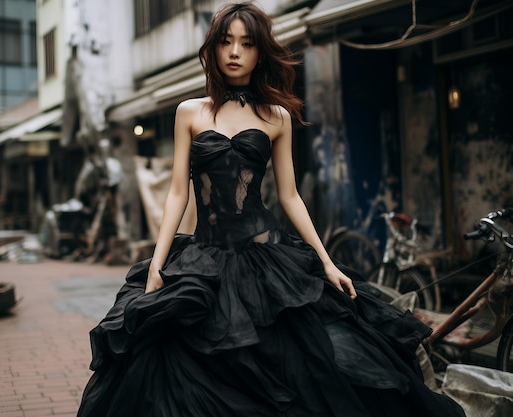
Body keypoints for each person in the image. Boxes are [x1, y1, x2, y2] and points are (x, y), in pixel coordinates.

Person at [77, 2, 466, 416]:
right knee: (187, 362)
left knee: (312, 360)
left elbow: (290, 196)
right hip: (205, 260)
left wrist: (327, 262)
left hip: (267, 258)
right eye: (226, 42)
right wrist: (157, 264)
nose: (234, 52)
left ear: (259, 52)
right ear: (213, 49)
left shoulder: (276, 116)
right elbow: (178, 194)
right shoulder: (189, 112)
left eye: (246, 43)